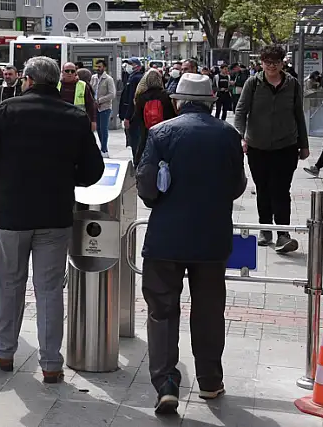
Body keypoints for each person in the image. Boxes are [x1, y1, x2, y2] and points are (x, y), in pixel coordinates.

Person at [0, 56, 104, 385]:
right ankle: (51, 363)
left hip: (11, 213)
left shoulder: (7, 111)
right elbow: (93, 172)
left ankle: (4, 352)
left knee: (9, 284)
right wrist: (64, 176)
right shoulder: (73, 117)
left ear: (28, 80)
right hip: (55, 215)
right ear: (56, 82)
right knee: (48, 291)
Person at [136, 72, 247, 415]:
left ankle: (167, 382)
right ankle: (210, 380)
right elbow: (238, 184)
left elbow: (146, 184)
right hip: (212, 237)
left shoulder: (160, 132)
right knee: (210, 309)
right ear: (211, 101)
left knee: (162, 310)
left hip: (166, 236)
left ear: (178, 101)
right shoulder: (229, 134)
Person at [234, 45, 310, 253]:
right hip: (257, 146)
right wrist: (239, 137)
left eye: (276, 62)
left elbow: (298, 115)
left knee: (281, 189)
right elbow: (241, 111)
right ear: (261, 63)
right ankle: (265, 228)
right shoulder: (253, 83)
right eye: (267, 62)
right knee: (263, 188)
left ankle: (283, 234)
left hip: (286, 145)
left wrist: (304, 145)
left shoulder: (292, 85)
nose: (271, 66)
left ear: (283, 62)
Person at [130, 69, 176, 162]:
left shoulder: (140, 97)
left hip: (147, 133)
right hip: (165, 133)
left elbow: (137, 116)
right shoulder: (168, 96)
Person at [118, 57, 145, 152]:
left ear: (137, 66)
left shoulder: (136, 78)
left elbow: (132, 100)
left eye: (131, 64)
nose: (127, 66)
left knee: (135, 142)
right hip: (131, 115)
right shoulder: (131, 77)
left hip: (133, 117)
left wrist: (127, 117)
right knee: (134, 141)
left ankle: (136, 163)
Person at [58, 62, 97, 127]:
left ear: (76, 73)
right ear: (62, 72)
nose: (70, 73)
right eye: (67, 71)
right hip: (60, 120)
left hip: (78, 120)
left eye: (72, 71)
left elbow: (90, 105)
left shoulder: (83, 85)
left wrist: (93, 121)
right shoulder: (56, 85)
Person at [92, 59, 116, 156]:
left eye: (100, 67)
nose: (98, 68)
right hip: (95, 107)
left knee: (103, 128)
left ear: (104, 67)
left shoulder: (108, 79)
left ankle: (104, 149)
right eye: (96, 67)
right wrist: (93, 101)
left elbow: (112, 94)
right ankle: (102, 147)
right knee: (98, 128)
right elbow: (91, 90)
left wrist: (100, 100)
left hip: (105, 107)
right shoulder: (93, 78)